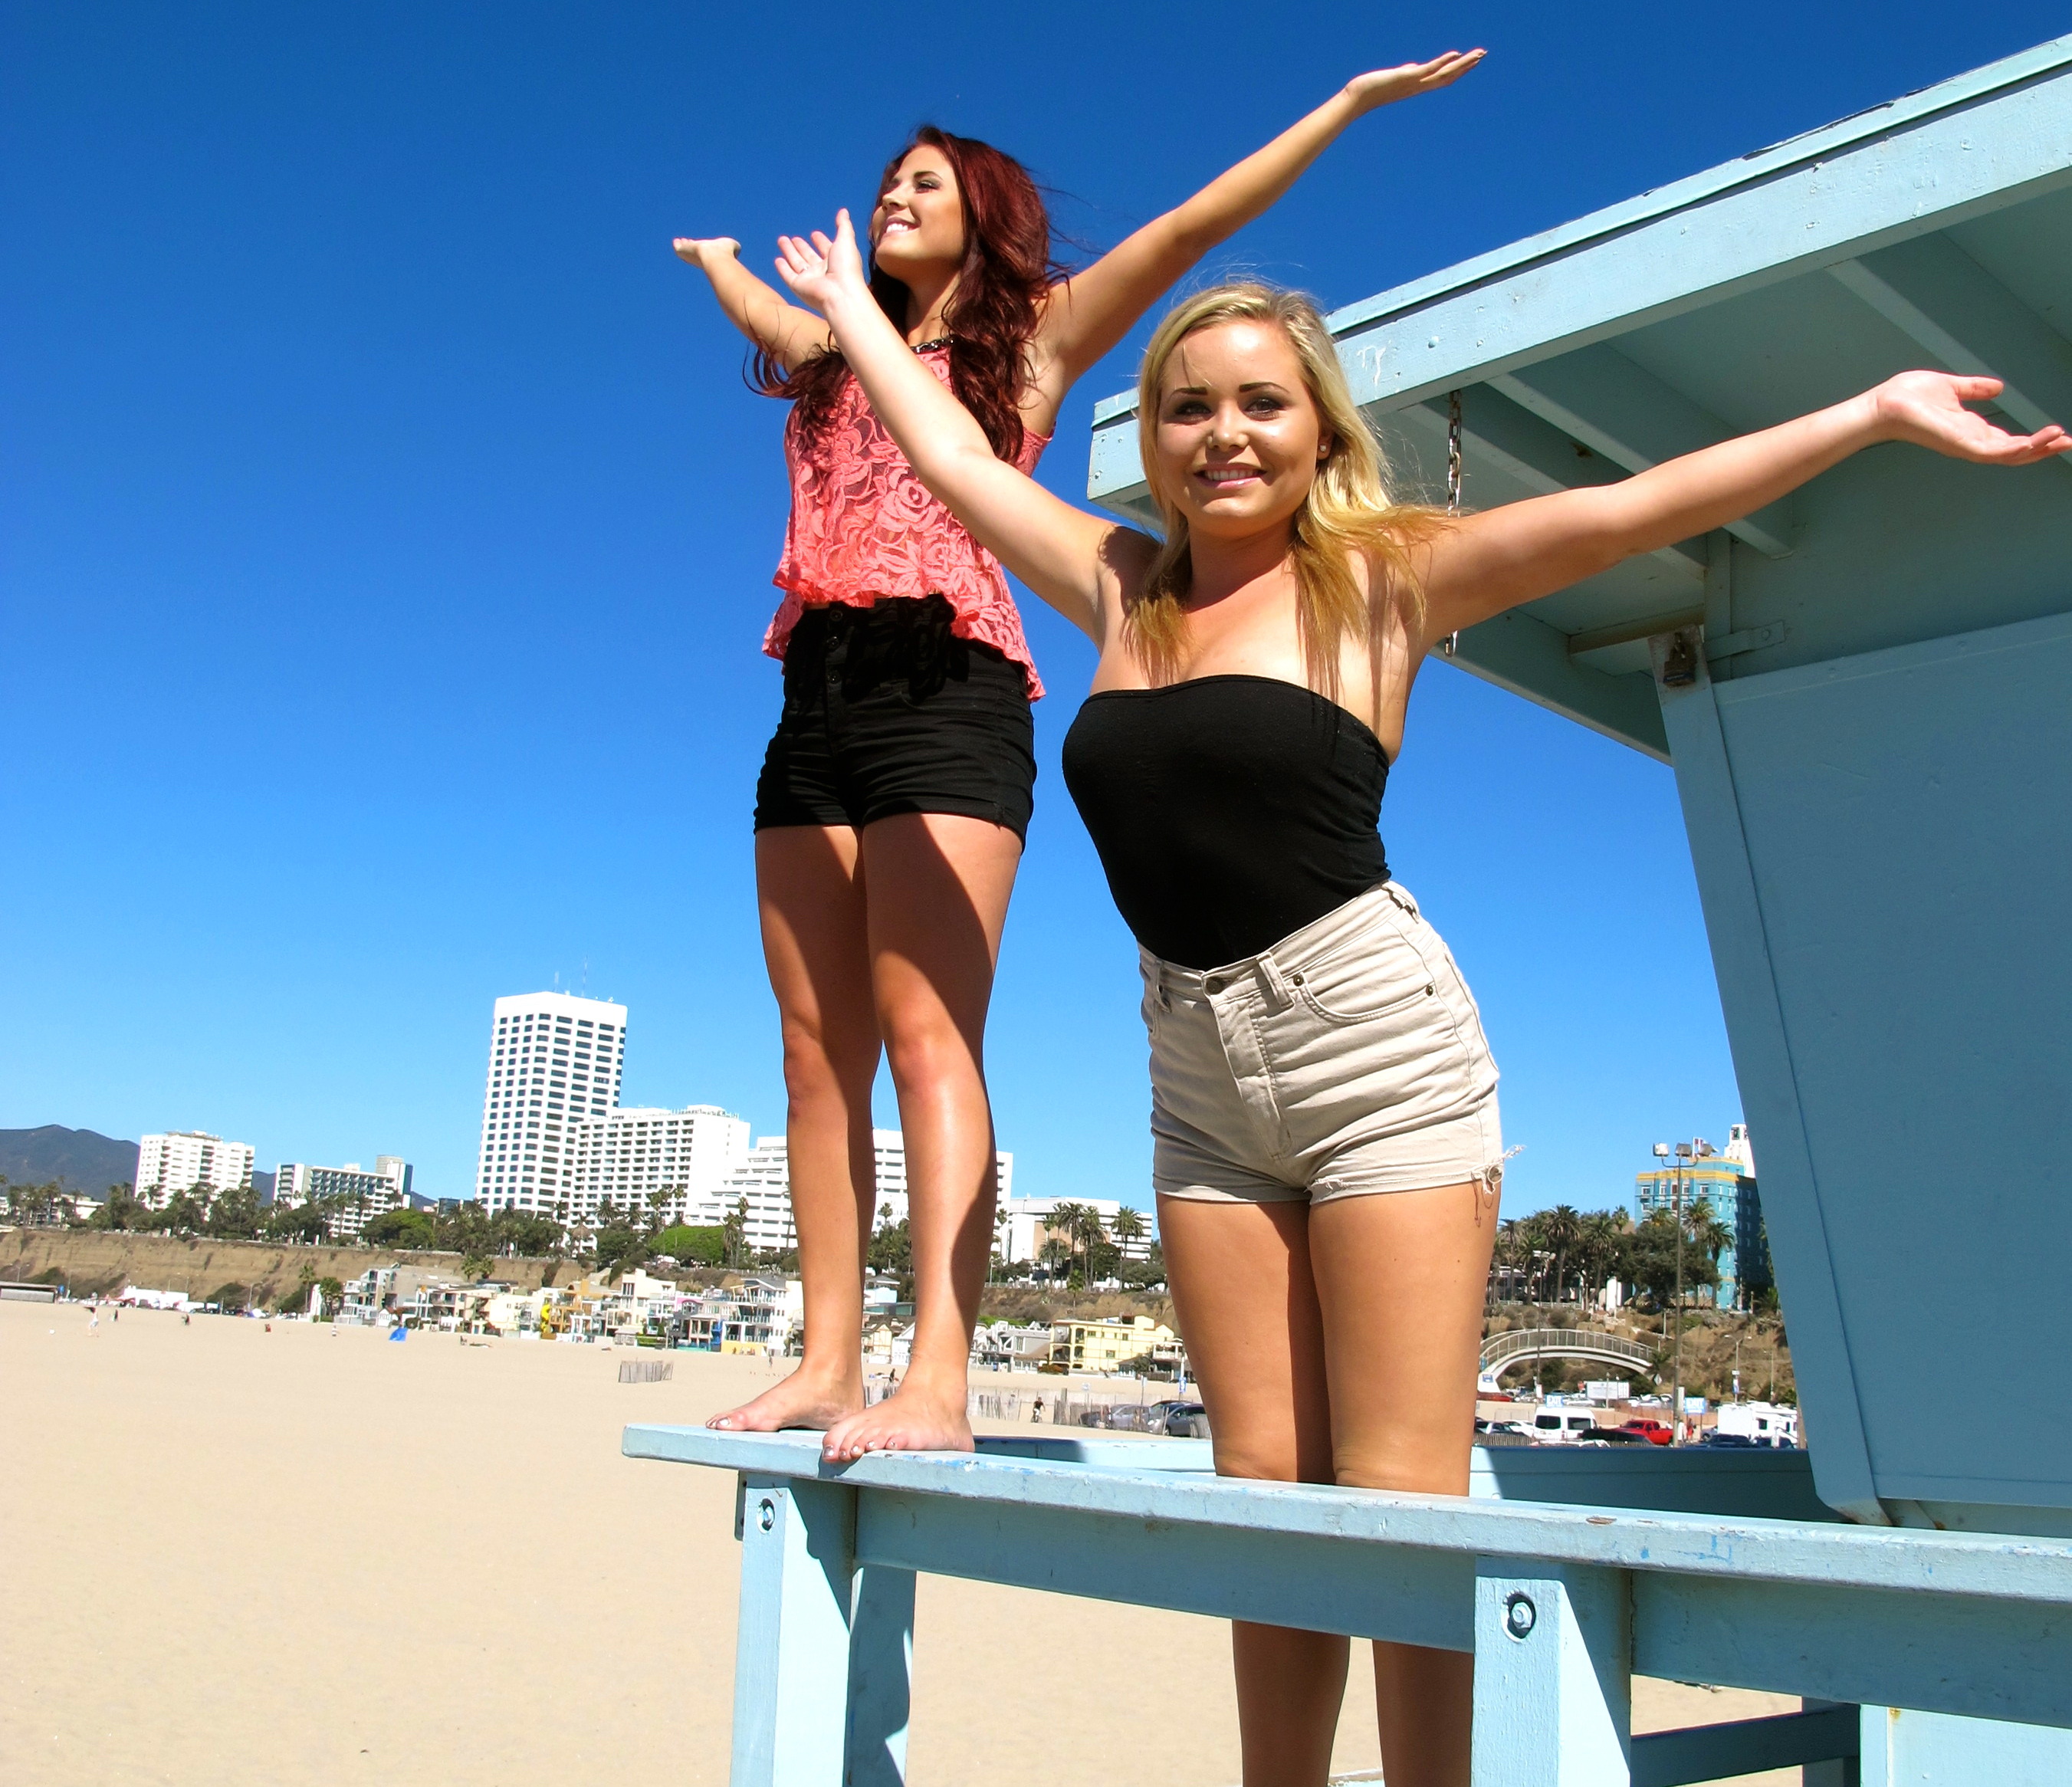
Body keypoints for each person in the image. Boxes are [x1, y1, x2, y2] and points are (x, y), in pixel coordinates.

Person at [771, 212, 2067, 1785]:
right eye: (1188, 407)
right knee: (1262, 1491)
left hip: (1373, 1049)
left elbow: (1634, 507)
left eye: (1262, 403)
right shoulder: (1123, 590)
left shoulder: (1385, 579)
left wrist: (1866, 412)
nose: (1224, 434)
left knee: (1397, 1496)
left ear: (1320, 431)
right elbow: (955, 462)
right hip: (1195, 1072)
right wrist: (850, 314)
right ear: (1152, 443)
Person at [675, 51, 1486, 1456]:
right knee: (814, 1053)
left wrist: (1344, 110)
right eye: (887, 181)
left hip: (950, 677)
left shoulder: (1031, 340)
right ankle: (824, 1359)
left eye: (925, 184)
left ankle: (937, 1375)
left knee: (927, 1033)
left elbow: (1188, 230)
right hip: (814, 686)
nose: (893, 196)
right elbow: (765, 310)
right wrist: (719, 264)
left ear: (985, 215)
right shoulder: (836, 346)